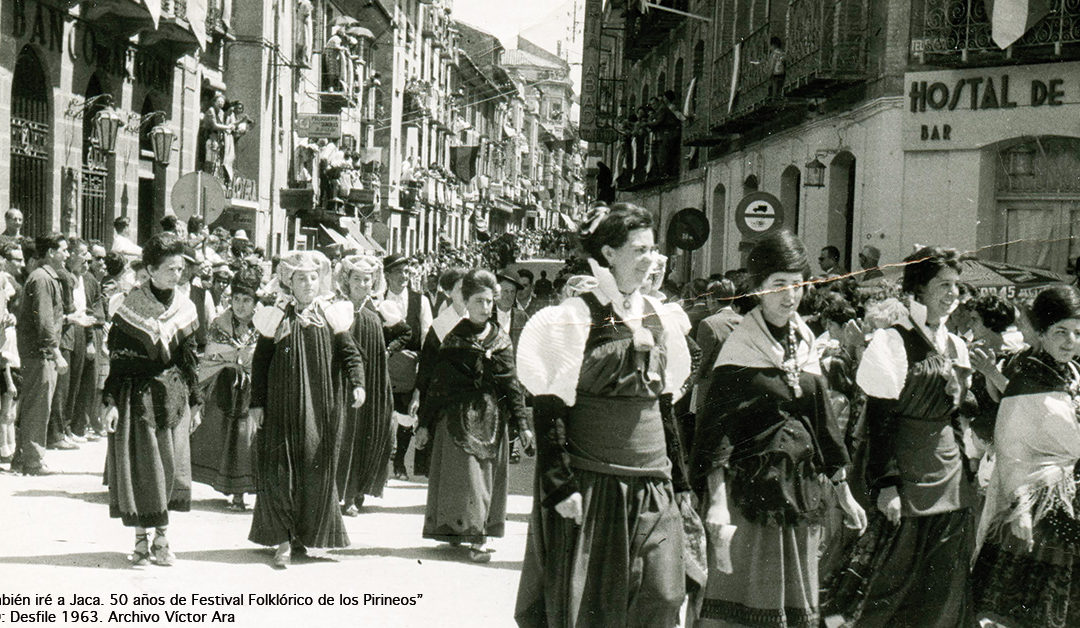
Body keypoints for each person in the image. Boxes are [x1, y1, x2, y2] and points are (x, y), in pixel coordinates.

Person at [515, 203, 692, 627]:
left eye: (653, 250)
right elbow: (550, 405)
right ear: (609, 254)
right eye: (639, 249)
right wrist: (558, 486)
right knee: (594, 605)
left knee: (665, 593)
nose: (650, 259)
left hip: (652, 480)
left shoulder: (660, 314)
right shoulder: (575, 316)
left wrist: (680, 481)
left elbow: (664, 402)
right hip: (594, 483)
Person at [691, 231, 866, 627]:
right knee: (745, 609)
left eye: (797, 284)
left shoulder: (804, 345)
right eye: (778, 285)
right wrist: (717, 503)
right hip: (749, 502)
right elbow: (716, 435)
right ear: (757, 289)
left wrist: (844, 493)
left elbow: (824, 428)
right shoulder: (738, 350)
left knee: (794, 607)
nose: (790, 296)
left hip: (800, 498)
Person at [825, 246, 975, 626]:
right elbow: (880, 420)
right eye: (943, 284)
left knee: (943, 583)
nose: (952, 293)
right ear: (918, 288)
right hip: (907, 478)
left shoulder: (955, 345)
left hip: (952, 479)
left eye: (956, 285)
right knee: (891, 585)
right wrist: (888, 484)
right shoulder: (892, 341)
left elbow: (959, 416)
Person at [971, 286, 1080, 628]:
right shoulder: (1031, 380)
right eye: (1061, 332)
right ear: (1042, 334)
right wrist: (1020, 508)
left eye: (1078, 333)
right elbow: (1011, 447)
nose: (1070, 341)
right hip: (1037, 508)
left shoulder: (1067, 374)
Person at [248, 250, 366, 568]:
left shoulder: (332, 315)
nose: (309, 283)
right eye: (301, 278)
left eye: (314, 277)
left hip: (319, 409)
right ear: (289, 282)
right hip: (281, 410)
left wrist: (358, 383)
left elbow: (350, 354)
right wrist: (256, 403)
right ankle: (283, 541)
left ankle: (305, 535)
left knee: (315, 470)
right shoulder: (276, 316)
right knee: (281, 473)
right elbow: (260, 362)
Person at [415, 269, 532, 562]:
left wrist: (523, 425)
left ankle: (479, 536)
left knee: (483, 478)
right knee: (464, 477)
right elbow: (438, 385)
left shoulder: (501, 339)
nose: (485, 307)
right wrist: (425, 424)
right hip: (456, 419)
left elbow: (511, 385)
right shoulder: (454, 339)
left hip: (491, 419)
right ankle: (462, 532)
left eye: (490, 301)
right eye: (479, 301)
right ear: (466, 302)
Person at [102, 233, 202, 566]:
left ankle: (162, 539)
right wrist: (111, 402)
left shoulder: (185, 306)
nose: (178, 275)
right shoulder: (130, 306)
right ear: (151, 269)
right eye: (171, 268)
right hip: (136, 398)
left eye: (181, 268)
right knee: (143, 470)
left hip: (171, 398)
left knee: (168, 469)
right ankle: (141, 541)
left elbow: (190, 358)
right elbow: (117, 360)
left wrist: (196, 401)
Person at [191, 268, 261, 511]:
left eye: (246, 300)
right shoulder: (220, 323)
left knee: (247, 438)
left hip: (253, 389)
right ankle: (232, 490)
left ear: (256, 302)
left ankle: (245, 491)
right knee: (228, 438)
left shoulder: (264, 324)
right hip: (226, 387)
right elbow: (212, 356)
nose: (240, 306)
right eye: (236, 300)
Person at [335, 255, 394, 516]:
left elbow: (384, 355)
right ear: (346, 281)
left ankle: (354, 494)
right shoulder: (337, 310)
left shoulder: (375, 316)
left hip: (370, 385)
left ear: (374, 282)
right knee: (341, 435)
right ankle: (338, 491)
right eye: (356, 278)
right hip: (341, 384)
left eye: (366, 279)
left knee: (363, 436)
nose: (361, 284)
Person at [9, 233, 68, 476]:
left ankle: (22, 458)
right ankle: (33, 461)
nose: (66, 254)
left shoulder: (44, 277)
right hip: (40, 354)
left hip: (38, 352)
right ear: (51, 252)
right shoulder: (43, 279)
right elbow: (44, 321)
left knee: (34, 405)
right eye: (63, 250)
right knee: (38, 407)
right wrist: (56, 353)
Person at [382, 253, 432, 480]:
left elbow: (427, 337)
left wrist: (421, 360)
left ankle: (400, 461)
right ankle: (380, 464)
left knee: (406, 415)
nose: (404, 276)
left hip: (409, 368)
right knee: (382, 414)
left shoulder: (420, 301)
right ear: (387, 275)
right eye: (398, 272)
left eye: (406, 271)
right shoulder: (378, 299)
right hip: (383, 366)